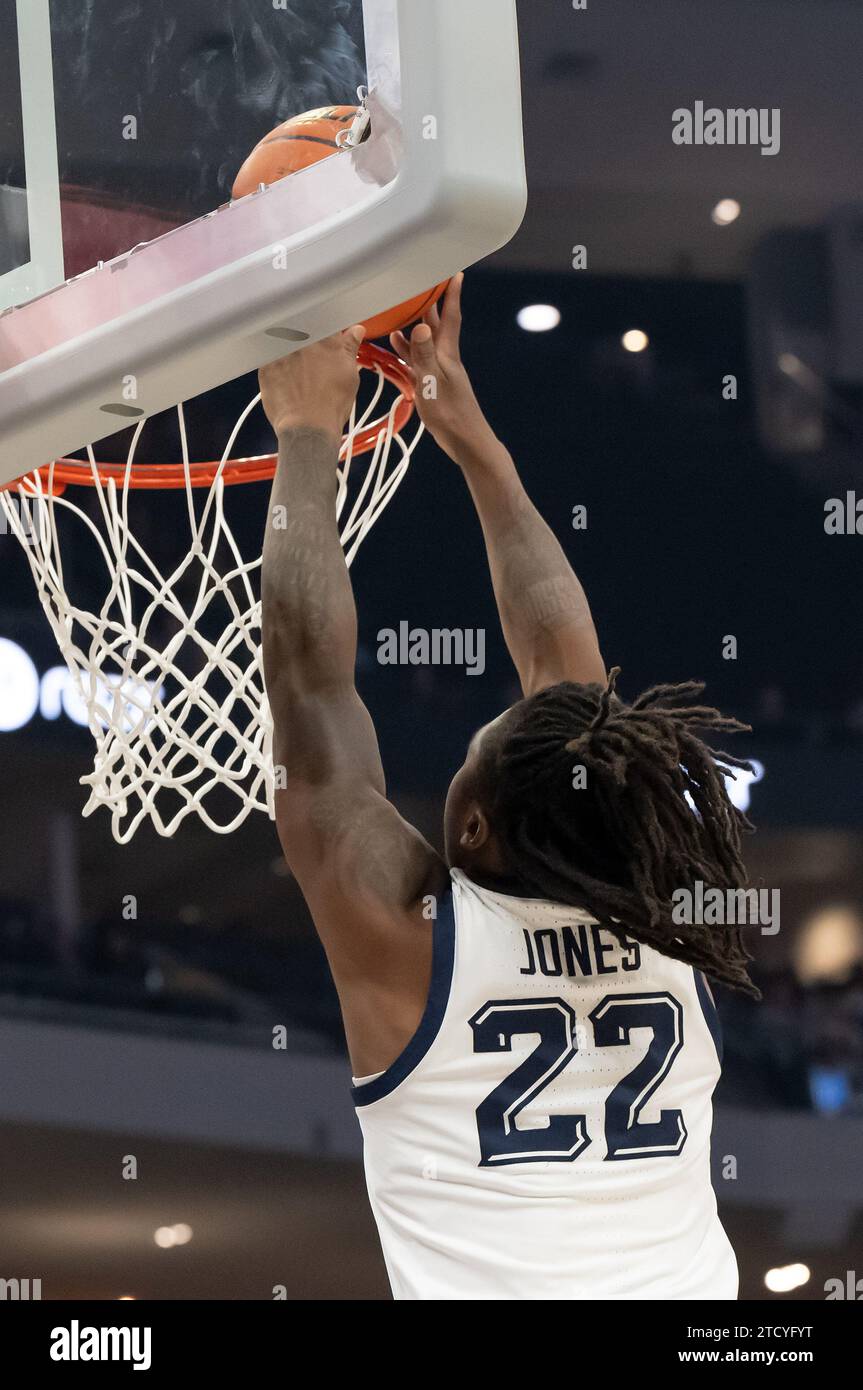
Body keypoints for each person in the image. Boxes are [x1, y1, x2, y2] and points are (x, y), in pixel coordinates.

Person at [259, 275, 756, 1301]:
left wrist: (310, 430)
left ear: (473, 819)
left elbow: (315, 678)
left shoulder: (413, 935)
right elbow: (561, 691)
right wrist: (469, 442)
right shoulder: (662, 917)